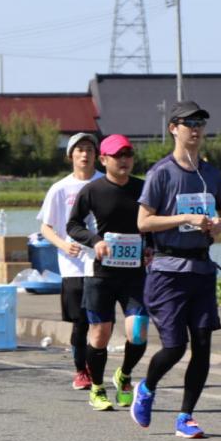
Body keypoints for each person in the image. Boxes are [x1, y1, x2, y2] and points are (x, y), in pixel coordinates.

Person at [132, 101, 221, 439]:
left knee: (202, 345)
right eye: (189, 123)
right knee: (175, 347)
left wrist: (219, 225)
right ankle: (146, 387)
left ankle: (186, 416)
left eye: (201, 123)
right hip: (167, 270)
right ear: (173, 128)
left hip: (202, 269)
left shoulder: (212, 174)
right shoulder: (161, 172)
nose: (196, 129)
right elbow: (143, 222)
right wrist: (185, 218)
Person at [65, 134, 149, 412]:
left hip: (135, 273)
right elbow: (73, 225)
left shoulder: (143, 189)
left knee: (138, 331)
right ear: (103, 159)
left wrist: (151, 247)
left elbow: (154, 222)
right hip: (100, 273)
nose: (124, 160)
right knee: (100, 334)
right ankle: (97, 387)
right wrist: (95, 241)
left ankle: (124, 375)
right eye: (117, 155)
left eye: (128, 154)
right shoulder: (92, 191)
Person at [38, 132, 103, 391]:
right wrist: (63, 244)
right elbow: (46, 227)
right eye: (79, 150)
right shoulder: (60, 188)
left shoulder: (105, 183)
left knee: (101, 321)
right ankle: (81, 370)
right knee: (80, 322)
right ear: (70, 156)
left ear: (97, 155)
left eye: (89, 149)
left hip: (102, 263)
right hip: (72, 265)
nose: (85, 154)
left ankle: (97, 369)